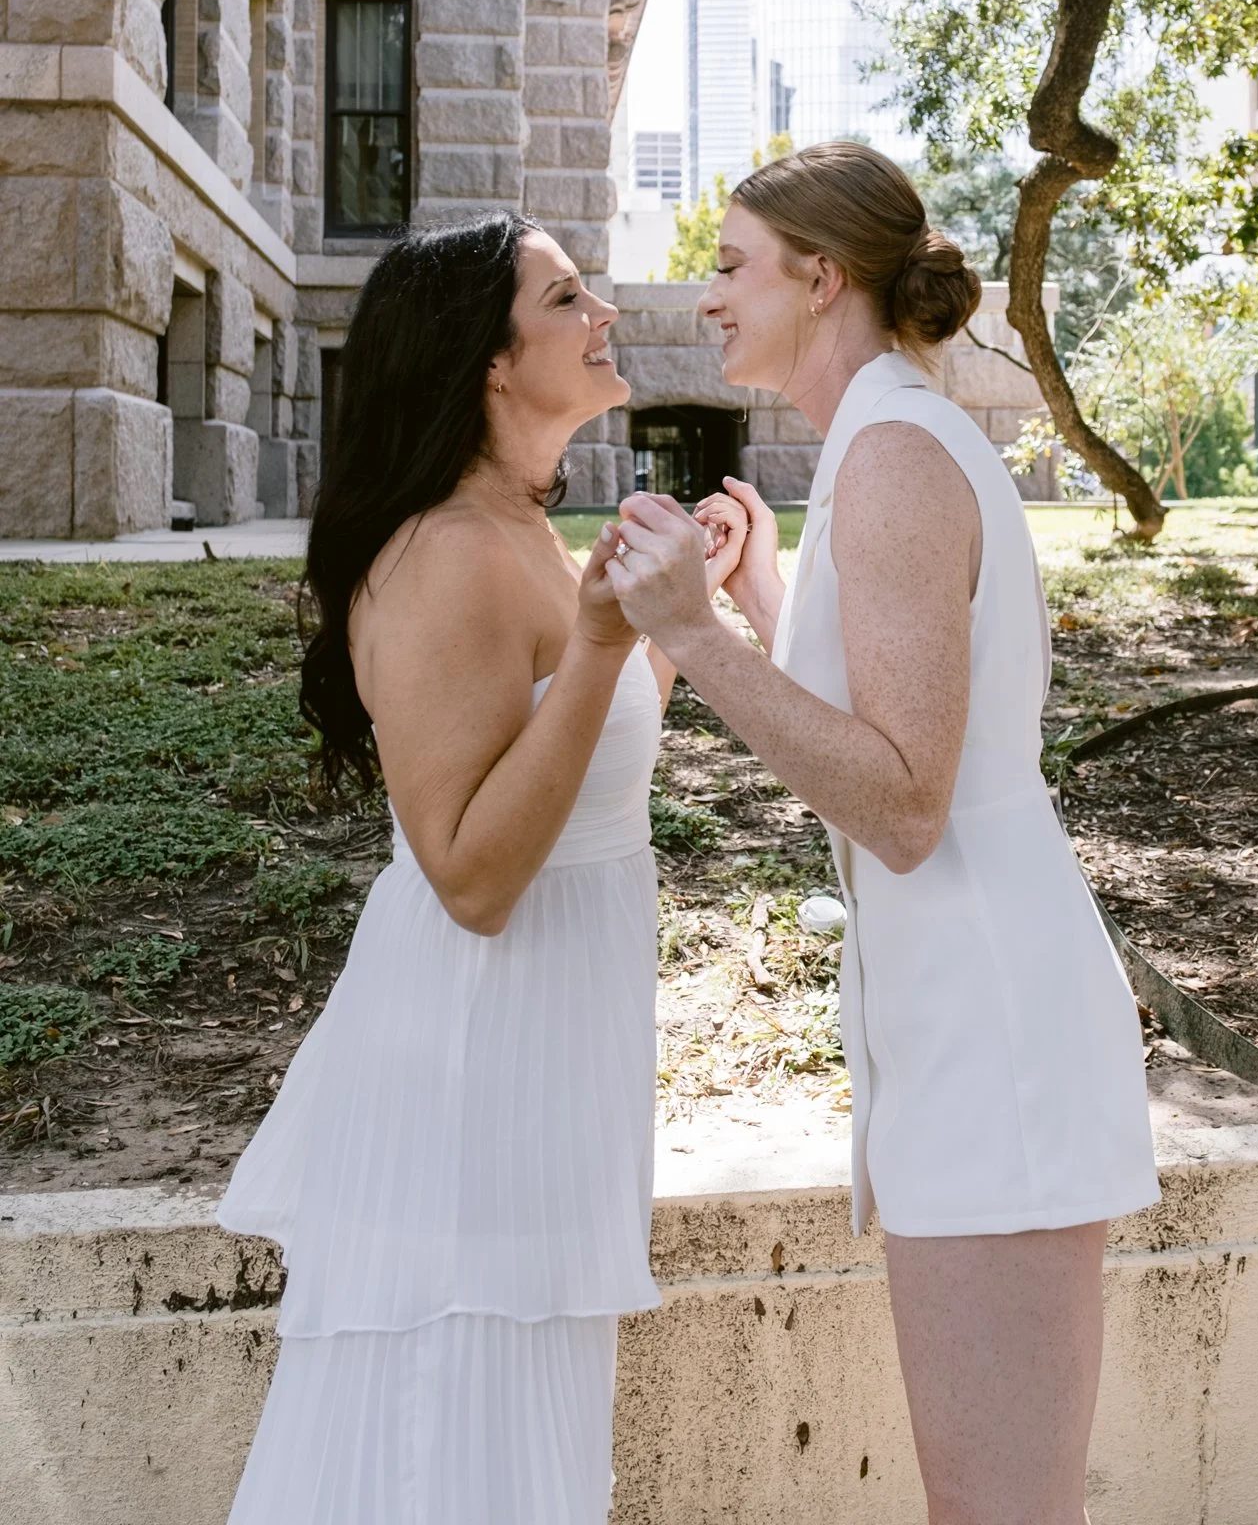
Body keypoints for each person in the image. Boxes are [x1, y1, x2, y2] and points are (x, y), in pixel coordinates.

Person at [601, 141, 1159, 1525]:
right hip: (960, 1023)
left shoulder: (900, 453)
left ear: (824, 276)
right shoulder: (879, 443)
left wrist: (693, 636)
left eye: (731, 265)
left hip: (995, 1046)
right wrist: (775, 607)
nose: (707, 298)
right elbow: (895, 744)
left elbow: (905, 804)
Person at [216, 214, 743, 1525]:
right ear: (493, 363)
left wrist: (675, 620)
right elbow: (470, 872)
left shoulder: (521, 525)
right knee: (445, 1449)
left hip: (554, 1065)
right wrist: (612, 645)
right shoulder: (446, 554)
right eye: (568, 296)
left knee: (522, 1447)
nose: (603, 311)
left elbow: (577, 763)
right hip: (472, 1080)